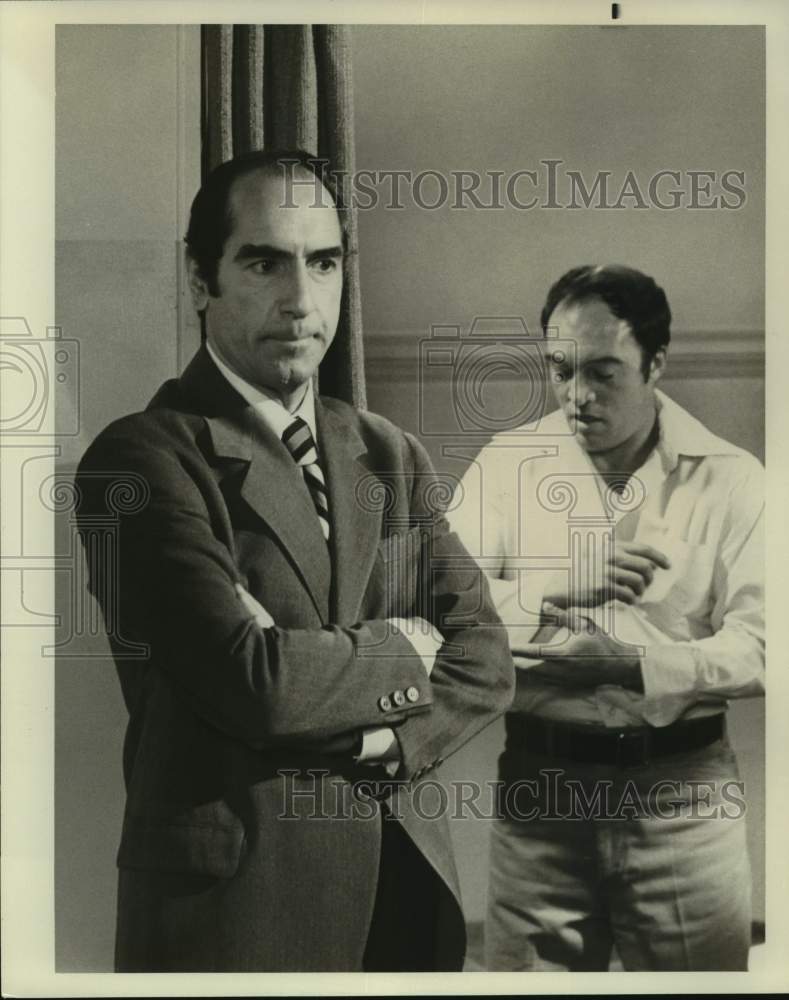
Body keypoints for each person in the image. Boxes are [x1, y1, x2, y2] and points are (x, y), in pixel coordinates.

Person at [74, 150, 514, 973]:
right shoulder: (141, 459)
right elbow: (255, 683)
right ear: (199, 278)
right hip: (240, 915)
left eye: (323, 262)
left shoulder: (387, 453)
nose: (302, 299)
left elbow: (486, 659)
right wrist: (405, 645)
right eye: (264, 261)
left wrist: (373, 744)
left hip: (405, 893)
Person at [447, 264, 764, 971]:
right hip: (539, 790)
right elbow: (436, 610)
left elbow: (768, 649)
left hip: (684, 798)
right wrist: (550, 591)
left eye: (602, 372)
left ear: (655, 363)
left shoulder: (733, 479)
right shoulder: (508, 466)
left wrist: (633, 667)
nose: (575, 397)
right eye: (559, 370)